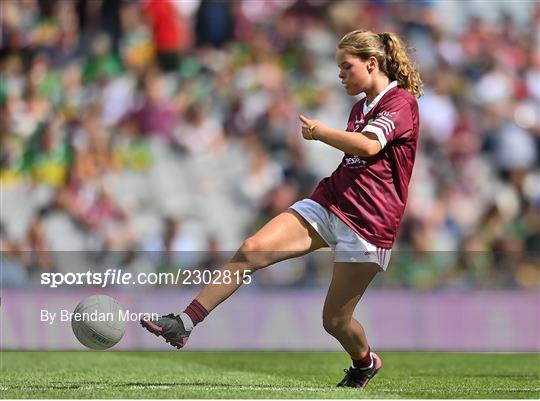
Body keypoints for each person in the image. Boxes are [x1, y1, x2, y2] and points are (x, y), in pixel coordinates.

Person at [141, 29, 422, 390]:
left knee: (335, 321)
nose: (340, 75)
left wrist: (321, 132)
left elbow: (368, 147)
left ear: (371, 63)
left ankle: (364, 362)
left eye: (346, 67)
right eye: (338, 67)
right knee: (252, 249)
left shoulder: (401, 103)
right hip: (331, 201)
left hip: (369, 223)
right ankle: (185, 323)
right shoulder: (359, 106)